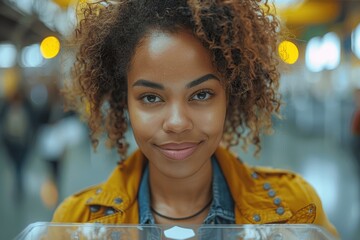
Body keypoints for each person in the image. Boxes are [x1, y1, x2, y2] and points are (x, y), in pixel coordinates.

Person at [52, 0, 338, 238]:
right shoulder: (75, 224)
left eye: (201, 95)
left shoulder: (296, 209)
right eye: (151, 98)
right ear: (124, 100)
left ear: (231, 96)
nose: (177, 122)